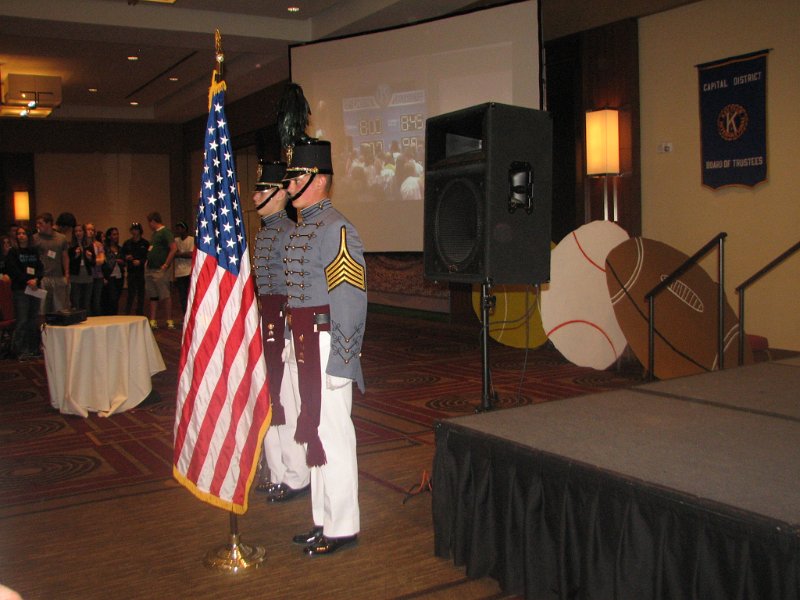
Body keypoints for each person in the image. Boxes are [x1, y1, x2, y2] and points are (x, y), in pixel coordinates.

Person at [283, 140, 368, 557]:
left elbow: (350, 299)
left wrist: (343, 360)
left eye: (297, 177)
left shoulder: (336, 228)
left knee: (333, 435)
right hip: (302, 343)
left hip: (324, 343)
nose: (291, 185)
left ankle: (343, 526)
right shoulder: (304, 228)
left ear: (317, 180)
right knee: (314, 433)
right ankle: (323, 519)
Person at [252, 160, 310, 503]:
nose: (256, 195)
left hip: (284, 325)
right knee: (272, 399)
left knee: (287, 400)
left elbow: (295, 286)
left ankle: (295, 474)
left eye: (262, 189)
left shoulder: (289, 233)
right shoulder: (266, 231)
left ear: (278, 195)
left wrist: (289, 335)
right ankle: (277, 470)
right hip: (267, 320)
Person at [5, 227, 44, 360]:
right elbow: (13, 271)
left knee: (33, 319)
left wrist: (36, 279)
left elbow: (40, 268)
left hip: (34, 288)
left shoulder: (33, 251)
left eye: (23, 233)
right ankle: (20, 350)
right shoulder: (13, 252)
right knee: (22, 319)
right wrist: (28, 281)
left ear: (28, 236)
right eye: (19, 234)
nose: (21, 236)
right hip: (21, 289)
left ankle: (33, 348)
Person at [144, 212, 177, 330]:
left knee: (164, 294)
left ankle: (169, 319)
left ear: (153, 221)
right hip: (150, 269)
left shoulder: (165, 232)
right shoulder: (154, 234)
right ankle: (153, 320)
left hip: (160, 269)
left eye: (149, 222)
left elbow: (173, 249)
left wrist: (166, 264)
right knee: (153, 295)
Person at [33, 212, 69, 313]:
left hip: (58, 276)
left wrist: (66, 274)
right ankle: (42, 328)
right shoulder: (35, 238)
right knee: (42, 308)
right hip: (42, 278)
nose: (38, 226)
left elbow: (65, 256)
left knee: (60, 308)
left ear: (49, 223)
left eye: (40, 223)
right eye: (37, 223)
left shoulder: (61, 238)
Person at [122, 222, 148, 315]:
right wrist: (126, 257)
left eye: (136, 229)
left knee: (141, 294)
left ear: (140, 231)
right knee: (130, 294)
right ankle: (127, 313)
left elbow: (147, 257)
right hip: (131, 271)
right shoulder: (127, 243)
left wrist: (140, 261)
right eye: (133, 229)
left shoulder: (145, 243)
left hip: (141, 272)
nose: (134, 231)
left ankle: (140, 312)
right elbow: (122, 255)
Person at [68, 223, 95, 311]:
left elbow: (93, 263)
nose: (78, 233)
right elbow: (68, 262)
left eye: (80, 231)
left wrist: (90, 258)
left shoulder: (89, 245)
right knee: (76, 302)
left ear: (84, 232)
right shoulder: (71, 246)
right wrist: (75, 256)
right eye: (76, 231)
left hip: (87, 277)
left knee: (86, 303)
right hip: (76, 277)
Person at [172, 221, 194, 317]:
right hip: (179, 271)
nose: (179, 230)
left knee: (190, 294)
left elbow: (191, 254)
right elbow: (172, 253)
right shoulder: (176, 240)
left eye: (181, 228)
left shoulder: (191, 240)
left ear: (185, 229)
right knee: (182, 295)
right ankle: (185, 314)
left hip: (189, 271)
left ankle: (191, 313)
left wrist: (179, 254)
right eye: (177, 228)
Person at [102, 227, 125, 315]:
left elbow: (124, 261)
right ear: (109, 236)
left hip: (119, 276)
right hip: (109, 276)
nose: (116, 236)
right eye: (114, 234)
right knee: (112, 299)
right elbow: (104, 263)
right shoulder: (105, 249)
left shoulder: (120, 248)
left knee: (117, 298)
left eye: (117, 234)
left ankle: (115, 315)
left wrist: (122, 261)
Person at [84, 223, 105, 316]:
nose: (90, 232)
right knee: (86, 300)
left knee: (96, 301)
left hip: (98, 276)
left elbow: (101, 260)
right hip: (86, 275)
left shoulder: (98, 244)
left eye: (92, 230)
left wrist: (91, 260)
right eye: (88, 229)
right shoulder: (82, 244)